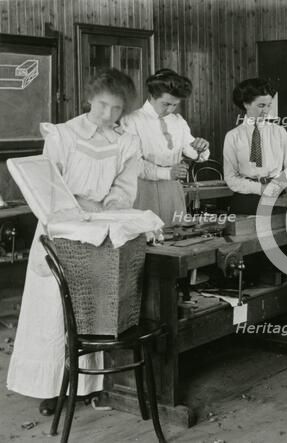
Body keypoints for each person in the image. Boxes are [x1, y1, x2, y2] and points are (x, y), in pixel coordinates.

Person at [7, 69, 142, 415]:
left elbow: (124, 186)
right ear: (89, 98)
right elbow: (49, 183)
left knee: (91, 306)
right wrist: (76, 206)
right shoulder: (64, 134)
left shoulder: (126, 141)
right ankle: (52, 388)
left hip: (98, 229)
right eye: (102, 106)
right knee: (55, 307)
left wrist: (109, 207)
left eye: (116, 109)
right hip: (59, 225)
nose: (108, 115)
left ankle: (89, 386)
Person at [121, 69, 210, 226]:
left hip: (172, 189)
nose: (170, 109)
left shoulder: (177, 121)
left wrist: (201, 148)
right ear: (152, 97)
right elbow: (133, 164)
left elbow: (192, 151)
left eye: (175, 105)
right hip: (143, 189)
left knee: (176, 232)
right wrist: (168, 172)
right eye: (166, 104)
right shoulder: (132, 120)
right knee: (148, 236)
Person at [223, 78, 287, 215]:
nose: (267, 111)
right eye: (261, 106)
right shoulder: (233, 137)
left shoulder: (279, 132)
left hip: (277, 198)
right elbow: (230, 178)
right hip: (246, 200)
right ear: (246, 104)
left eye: (269, 105)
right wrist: (260, 188)